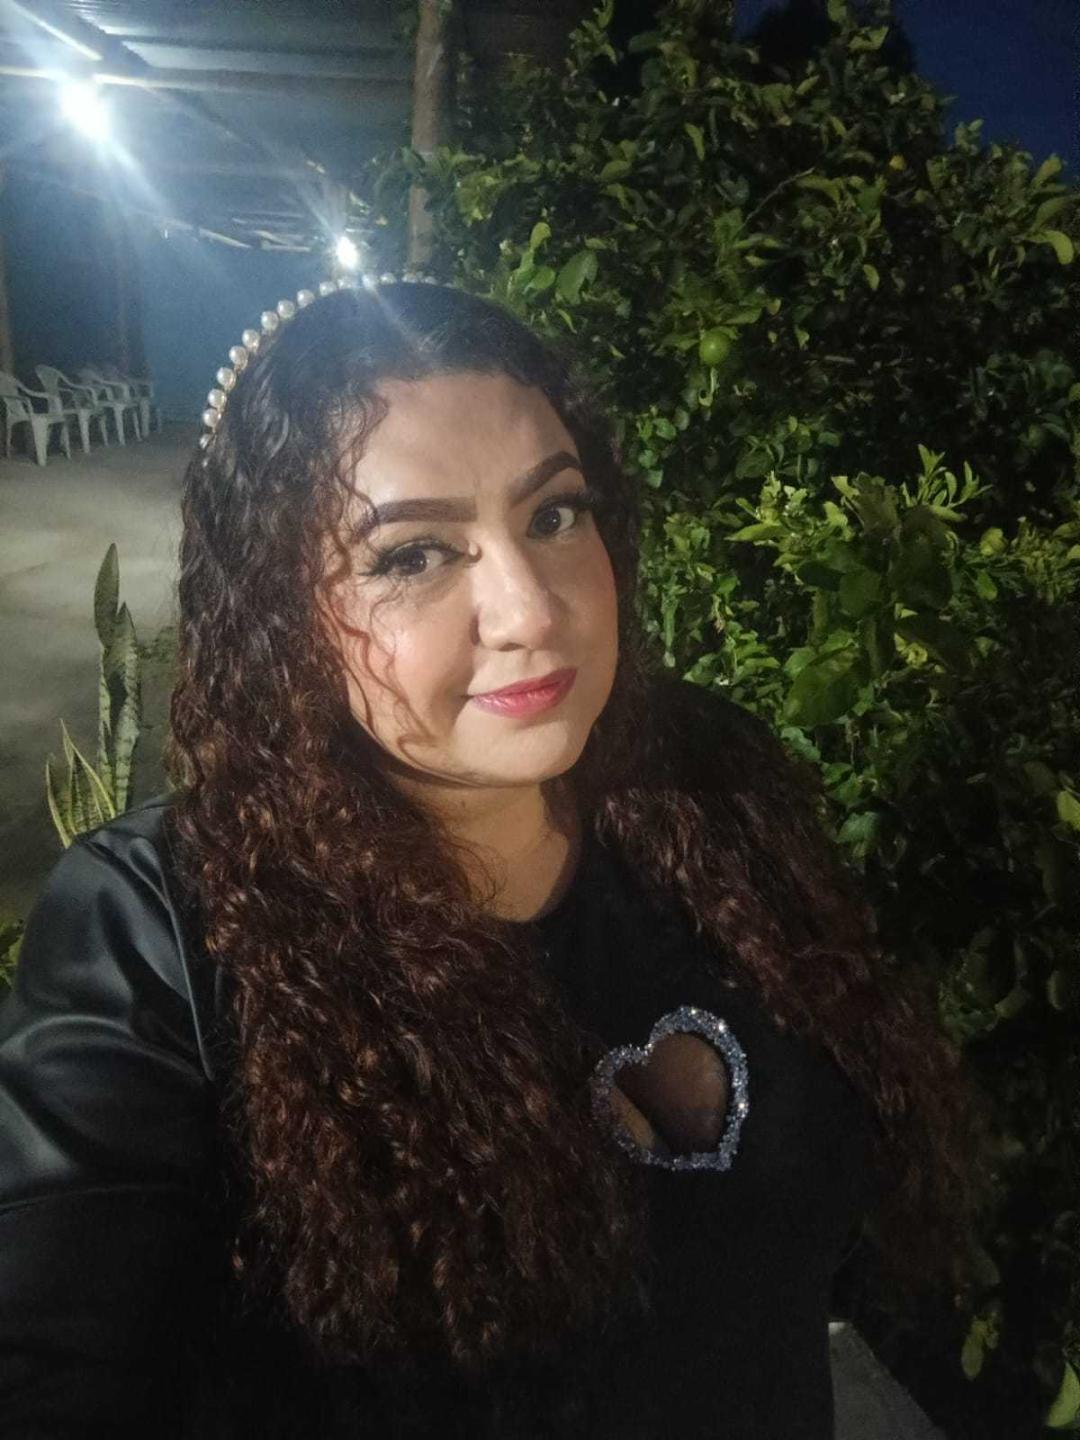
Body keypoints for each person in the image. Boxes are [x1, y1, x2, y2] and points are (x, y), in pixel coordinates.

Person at [0, 279, 984, 1439]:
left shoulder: (710, 785)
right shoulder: (167, 925)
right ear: (280, 609)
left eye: (555, 514)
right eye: (413, 554)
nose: (529, 609)